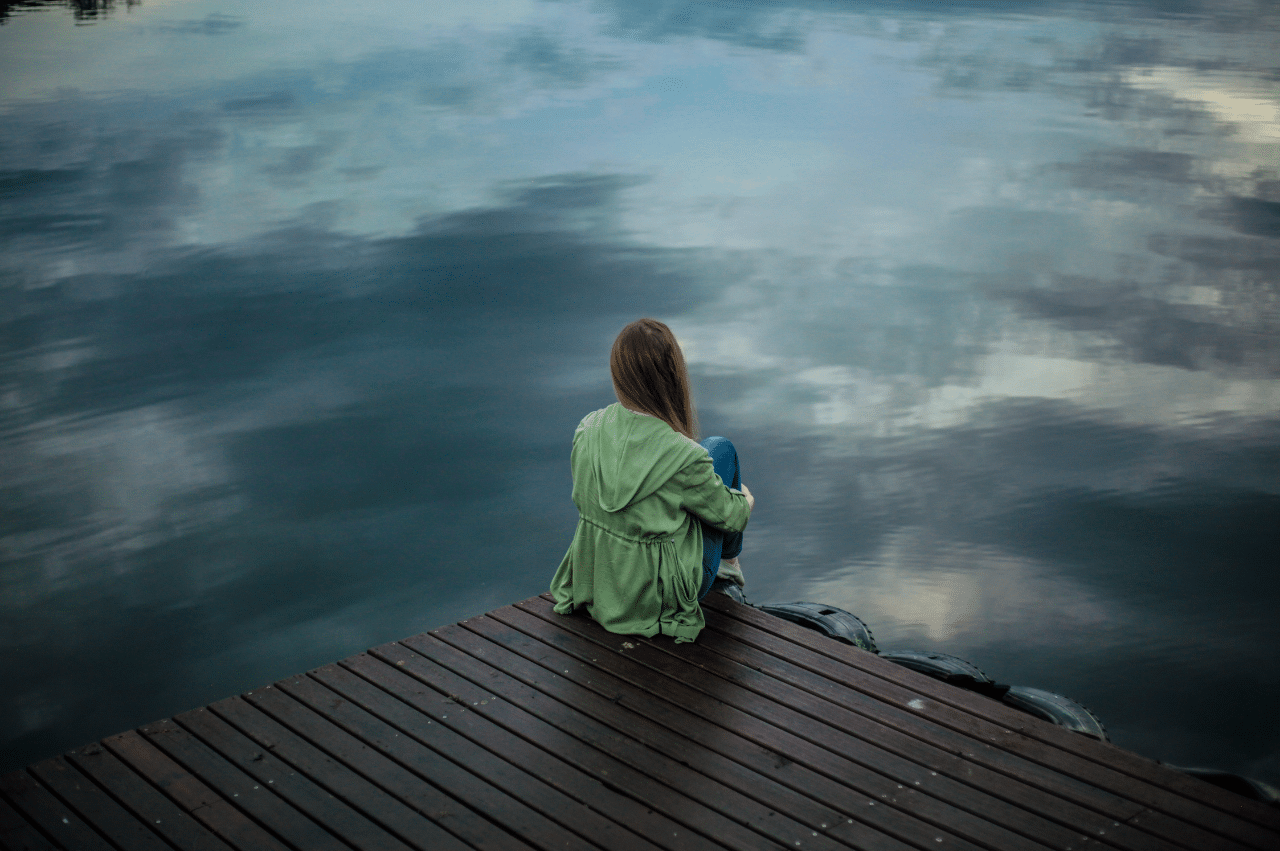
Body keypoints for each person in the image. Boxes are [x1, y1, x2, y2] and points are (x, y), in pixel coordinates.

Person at [550, 318, 755, 643]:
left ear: (619, 375)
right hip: (658, 597)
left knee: (703, 465)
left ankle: (725, 568)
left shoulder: (587, 429)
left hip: (602, 581)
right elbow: (735, 517)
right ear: (673, 377)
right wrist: (744, 498)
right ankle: (728, 570)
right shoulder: (684, 456)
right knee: (720, 449)